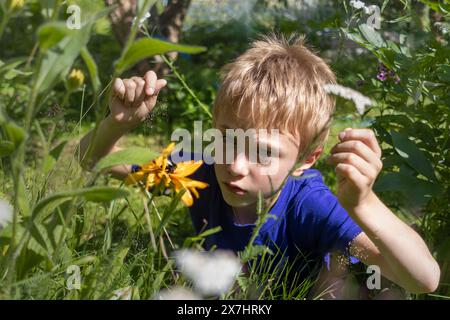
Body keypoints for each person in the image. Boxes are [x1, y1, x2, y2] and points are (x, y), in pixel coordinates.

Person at [78, 34, 440, 298]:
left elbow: (422, 280)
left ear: (305, 161)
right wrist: (117, 124)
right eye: (228, 137)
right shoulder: (199, 168)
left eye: (262, 153)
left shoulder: (309, 203)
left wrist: (363, 204)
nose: (234, 165)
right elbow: (92, 162)